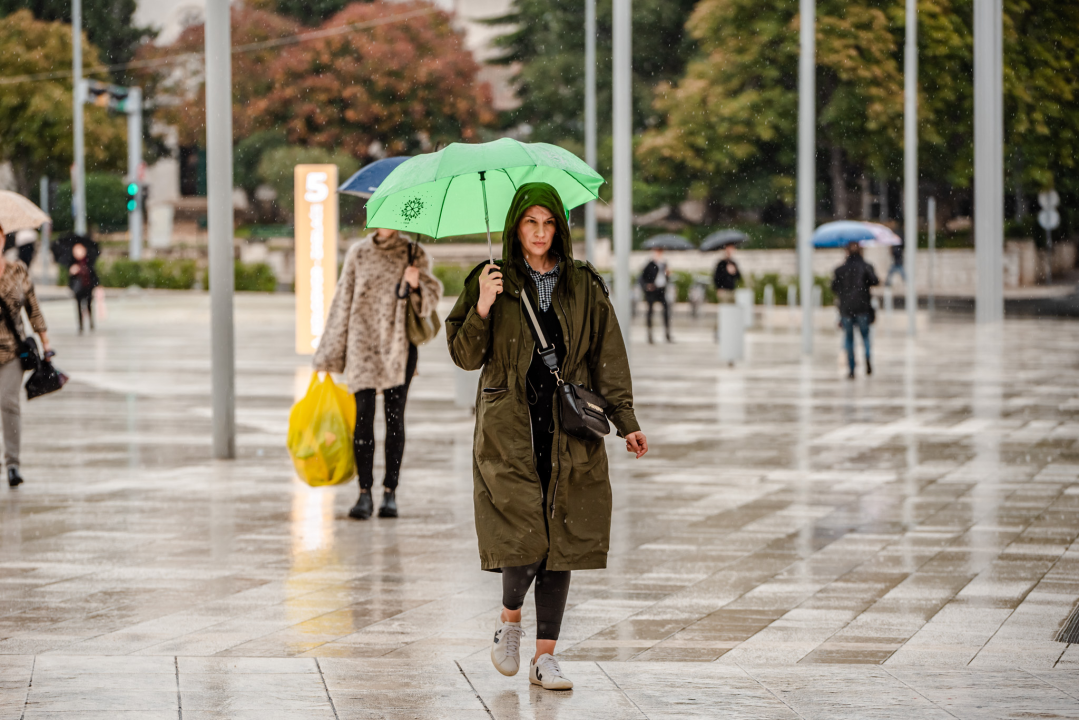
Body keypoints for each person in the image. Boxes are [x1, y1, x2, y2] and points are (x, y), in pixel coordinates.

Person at [446, 183, 648, 692]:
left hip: (568, 428)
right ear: (516, 226)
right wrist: (484, 306)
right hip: (507, 428)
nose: (539, 233)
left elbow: (609, 356)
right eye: (530, 222)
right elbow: (465, 355)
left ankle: (545, 657)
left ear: (560, 227)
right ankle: (509, 620)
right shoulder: (489, 278)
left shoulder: (583, 284)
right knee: (524, 534)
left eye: (549, 222)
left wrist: (627, 421)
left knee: (562, 537)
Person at [313, 227, 443, 520]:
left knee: (395, 419)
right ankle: (364, 493)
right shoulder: (359, 253)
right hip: (362, 346)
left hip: (400, 347)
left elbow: (431, 299)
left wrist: (417, 283)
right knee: (363, 419)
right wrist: (329, 353)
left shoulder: (413, 252)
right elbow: (342, 302)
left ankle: (390, 492)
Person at [0, 246, 51, 487]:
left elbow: (33, 308)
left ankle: (12, 464)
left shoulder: (18, 270)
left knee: (8, 401)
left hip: (12, 350)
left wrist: (46, 344)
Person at [831, 241, 879, 379]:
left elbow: (833, 288)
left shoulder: (840, 270)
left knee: (849, 339)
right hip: (863, 307)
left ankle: (851, 370)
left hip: (846, 309)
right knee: (865, 337)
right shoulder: (866, 267)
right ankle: (868, 358)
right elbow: (875, 281)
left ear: (846, 252)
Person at [638, 247, 672, 343]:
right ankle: (650, 334)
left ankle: (667, 333)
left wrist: (668, 274)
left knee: (666, 310)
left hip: (661, 289)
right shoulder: (649, 264)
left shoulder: (664, 264)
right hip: (652, 290)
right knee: (650, 311)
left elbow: (666, 278)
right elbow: (642, 278)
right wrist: (646, 286)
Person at [68, 241, 98, 334]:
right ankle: (80, 325)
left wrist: (96, 285)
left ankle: (91, 322)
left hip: (87, 286)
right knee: (78, 306)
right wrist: (72, 272)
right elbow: (70, 279)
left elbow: (93, 274)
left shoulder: (88, 260)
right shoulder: (72, 262)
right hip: (78, 288)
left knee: (89, 304)